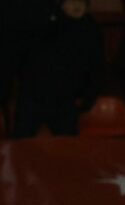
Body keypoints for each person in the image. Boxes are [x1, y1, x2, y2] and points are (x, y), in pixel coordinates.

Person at [12, 0, 104, 137]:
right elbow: (26, 61)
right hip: (34, 96)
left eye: (82, 1)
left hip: (68, 100)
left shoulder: (91, 29)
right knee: (23, 146)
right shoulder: (43, 25)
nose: (77, 5)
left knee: (68, 150)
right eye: (71, 1)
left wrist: (87, 97)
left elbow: (97, 67)